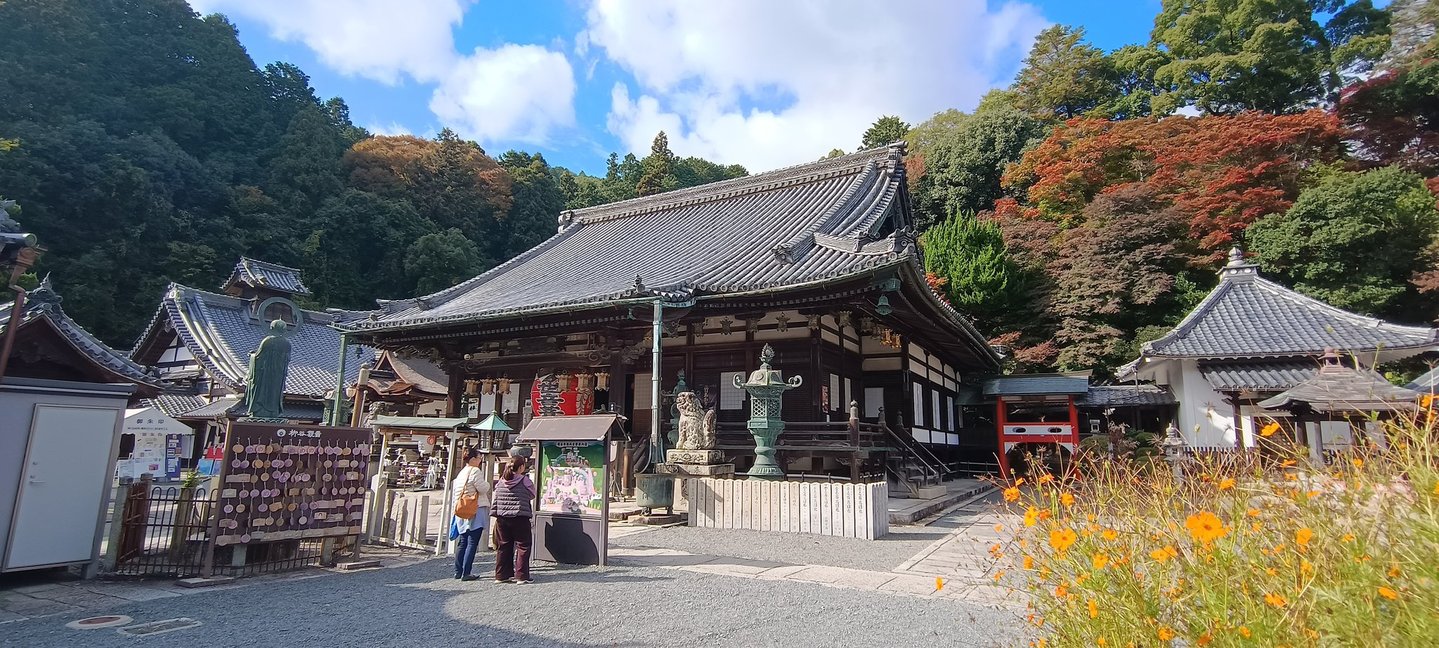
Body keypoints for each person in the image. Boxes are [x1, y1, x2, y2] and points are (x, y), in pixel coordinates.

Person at [491, 455, 534, 583]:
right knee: (523, 546)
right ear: (521, 467)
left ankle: (501, 575)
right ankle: (521, 575)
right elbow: (532, 494)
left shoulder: (501, 481)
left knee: (503, 546)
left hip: (502, 518)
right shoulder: (524, 480)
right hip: (520, 516)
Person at [451, 448, 491, 581]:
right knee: (472, 541)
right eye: (479, 458)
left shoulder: (462, 472)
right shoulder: (475, 471)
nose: (480, 461)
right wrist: (488, 484)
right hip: (475, 507)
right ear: (473, 459)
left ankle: (458, 570)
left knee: (462, 541)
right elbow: (483, 488)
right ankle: (466, 572)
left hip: (461, 508)